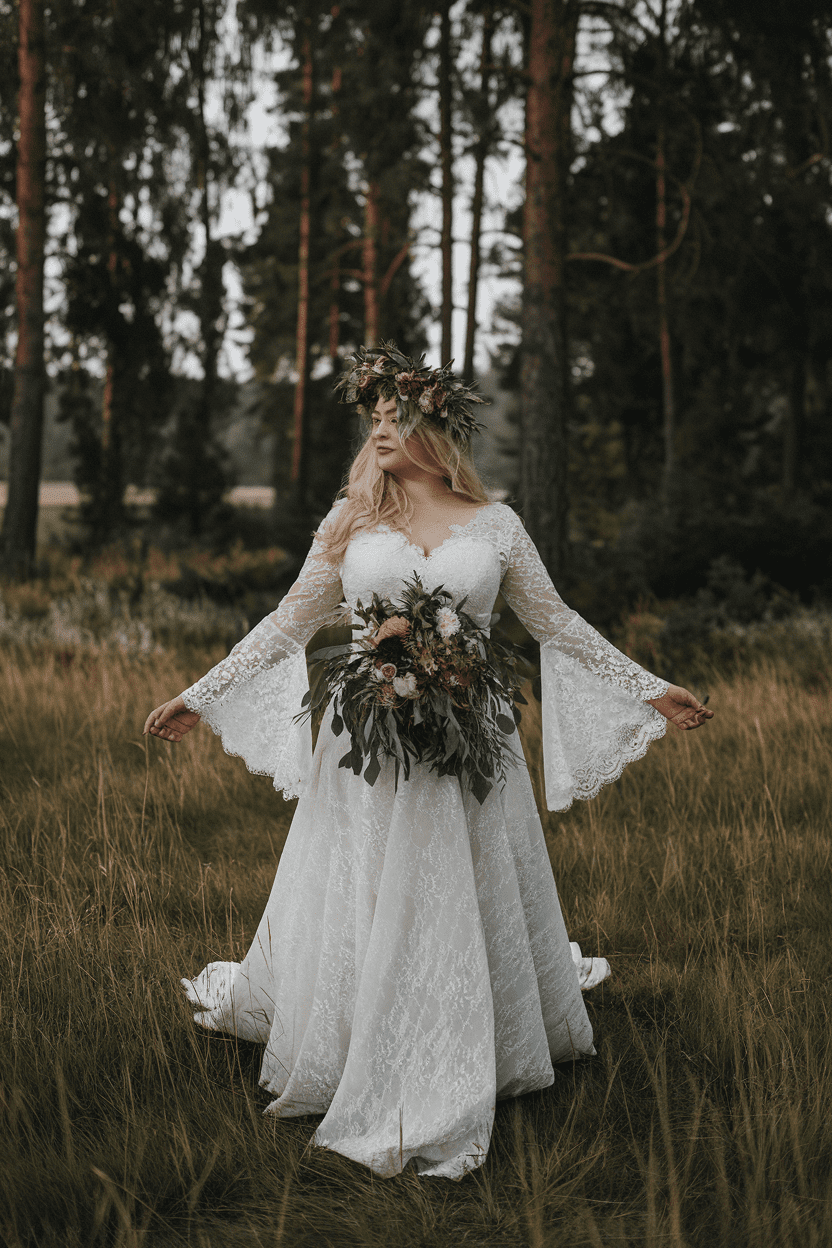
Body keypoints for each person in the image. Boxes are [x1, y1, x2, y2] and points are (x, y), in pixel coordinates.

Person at [144, 344, 712, 1180]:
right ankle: (351, 1038)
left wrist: (652, 688)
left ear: (437, 427)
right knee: (366, 881)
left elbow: (557, 624)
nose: (378, 427)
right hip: (368, 739)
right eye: (371, 417)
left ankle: (463, 1040)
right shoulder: (348, 521)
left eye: (394, 416)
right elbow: (287, 624)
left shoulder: (499, 526)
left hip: (469, 740)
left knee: (461, 882)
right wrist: (202, 692)